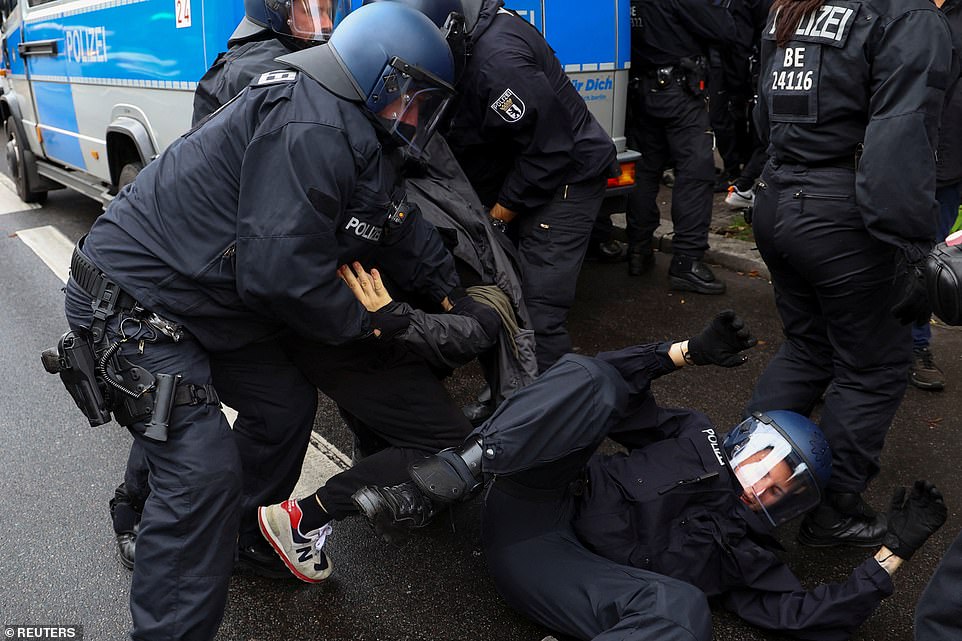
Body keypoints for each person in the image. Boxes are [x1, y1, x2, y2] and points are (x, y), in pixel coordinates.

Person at [53, 4, 461, 639]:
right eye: (407, 98)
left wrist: (447, 293)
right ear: (376, 78)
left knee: (284, 404)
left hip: (202, 299)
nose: (413, 116)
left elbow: (385, 221)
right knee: (201, 470)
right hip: (136, 303)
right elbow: (279, 276)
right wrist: (378, 323)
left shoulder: (349, 122)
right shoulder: (317, 126)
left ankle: (241, 536)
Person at [353, 312, 947, 641]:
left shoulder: (753, 556)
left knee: (684, 610)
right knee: (592, 381)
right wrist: (685, 351)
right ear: (747, 442)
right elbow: (609, 386)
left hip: (563, 573)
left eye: (781, 490)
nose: (762, 486)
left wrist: (894, 554)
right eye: (765, 464)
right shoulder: (693, 435)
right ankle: (460, 469)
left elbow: (806, 617)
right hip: (534, 500)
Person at [106, 0, 350, 580]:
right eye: (306, 8)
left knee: (284, 404)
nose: (321, 20)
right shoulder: (258, 68)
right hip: (186, 287)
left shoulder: (313, 65)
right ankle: (134, 512)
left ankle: (240, 530)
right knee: (176, 406)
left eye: (328, 7)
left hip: (236, 288)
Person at [745, 0, 954, 548]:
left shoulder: (795, 5)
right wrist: (910, 248)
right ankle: (833, 509)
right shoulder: (906, 16)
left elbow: (765, 114)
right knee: (875, 367)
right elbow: (901, 138)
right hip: (842, 214)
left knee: (808, 348)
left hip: (781, 199)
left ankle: (744, 475)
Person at [443, 0, 618, 373]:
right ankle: (508, 396)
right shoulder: (463, 32)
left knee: (539, 312)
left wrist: (497, 216)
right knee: (502, 296)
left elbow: (550, 152)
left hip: (566, 176)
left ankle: (551, 415)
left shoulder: (497, 59)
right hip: (524, 167)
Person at [622, 0, 737, 293]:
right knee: (696, 171)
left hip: (640, 88)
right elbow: (724, 29)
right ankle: (687, 261)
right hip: (678, 91)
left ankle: (638, 250)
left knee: (646, 170)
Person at [908, 0, 962, 392]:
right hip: (893, 158)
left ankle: (915, 346)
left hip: (950, 163)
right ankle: (836, 354)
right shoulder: (894, 8)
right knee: (867, 259)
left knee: (931, 260)